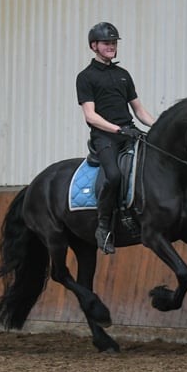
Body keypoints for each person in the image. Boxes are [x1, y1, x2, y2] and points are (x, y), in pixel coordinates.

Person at [76, 22, 155, 254]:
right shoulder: (86, 77)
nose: (111, 46)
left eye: (113, 43)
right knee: (113, 175)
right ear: (94, 46)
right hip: (105, 138)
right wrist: (118, 130)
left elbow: (139, 110)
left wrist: (158, 127)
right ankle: (103, 227)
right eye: (106, 43)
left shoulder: (123, 75)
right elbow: (91, 116)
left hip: (129, 132)